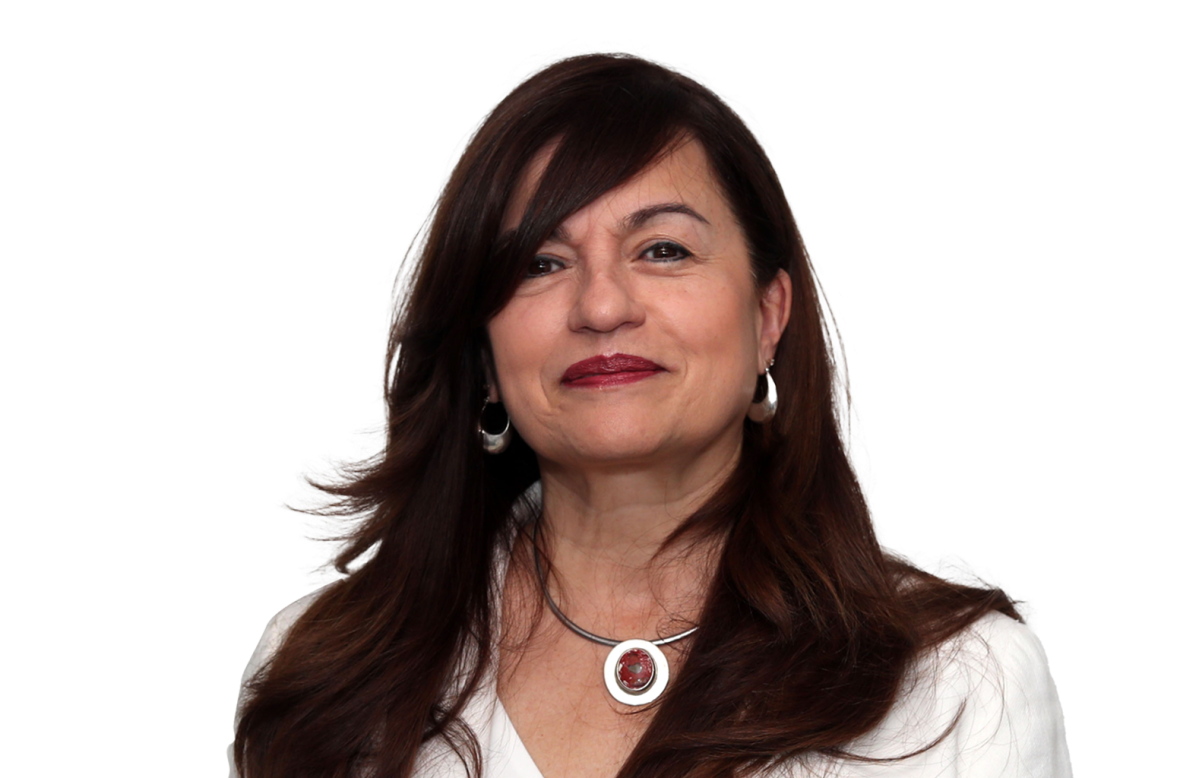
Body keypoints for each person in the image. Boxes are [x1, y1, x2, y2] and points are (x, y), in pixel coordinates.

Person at [229, 43, 1071, 778]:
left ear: (768, 316)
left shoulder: (955, 679)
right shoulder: (318, 679)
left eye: (662, 249)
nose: (601, 306)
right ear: (482, 352)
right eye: (539, 263)